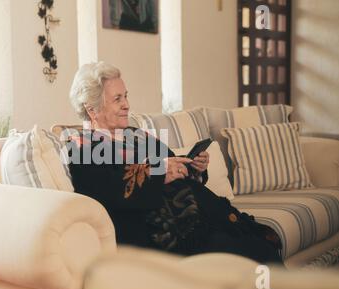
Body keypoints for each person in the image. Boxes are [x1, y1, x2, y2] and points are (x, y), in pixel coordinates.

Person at [66, 61, 283, 265]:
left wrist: (193, 166)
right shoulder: (83, 148)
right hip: (167, 233)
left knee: (265, 245)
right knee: (258, 256)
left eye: (126, 97)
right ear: (92, 109)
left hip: (201, 217)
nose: (127, 105)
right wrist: (160, 170)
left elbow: (172, 165)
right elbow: (113, 190)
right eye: (117, 99)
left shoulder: (136, 135)